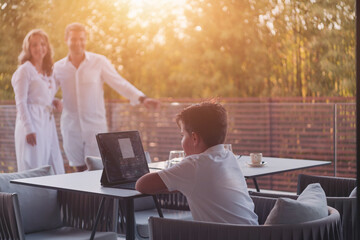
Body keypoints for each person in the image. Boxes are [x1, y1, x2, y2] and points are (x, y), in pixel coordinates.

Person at [54, 23, 160, 172]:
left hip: (95, 126)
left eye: (81, 39)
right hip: (71, 128)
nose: (78, 43)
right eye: (73, 39)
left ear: (86, 40)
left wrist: (142, 98)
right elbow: (47, 92)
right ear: (66, 39)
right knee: (78, 169)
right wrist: (54, 102)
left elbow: (119, 82)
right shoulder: (58, 67)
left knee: (96, 169)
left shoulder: (99, 62)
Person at [136, 102, 258, 225]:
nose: (182, 140)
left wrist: (177, 183)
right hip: (254, 233)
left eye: (182, 135)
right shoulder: (228, 156)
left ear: (194, 138)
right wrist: (180, 184)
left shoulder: (194, 165)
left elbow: (141, 185)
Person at [11, 29, 65, 174]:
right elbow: (21, 101)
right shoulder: (25, 70)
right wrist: (29, 128)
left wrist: (53, 101)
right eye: (34, 44)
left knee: (53, 163)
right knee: (34, 166)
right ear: (28, 48)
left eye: (42, 44)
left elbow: (40, 95)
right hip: (32, 122)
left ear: (47, 47)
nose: (39, 48)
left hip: (47, 122)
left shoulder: (49, 71)